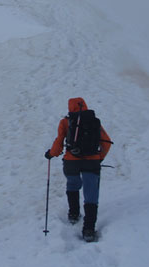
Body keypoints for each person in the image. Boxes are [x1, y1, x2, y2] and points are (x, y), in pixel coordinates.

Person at [44, 97, 112, 242]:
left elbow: (58, 144)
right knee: (91, 195)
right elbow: (106, 142)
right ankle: (88, 230)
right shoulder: (94, 121)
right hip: (92, 162)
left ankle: (74, 214)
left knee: (72, 184)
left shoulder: (65, 122)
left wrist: (51, 154)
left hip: (71, 162)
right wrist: (99, 158)